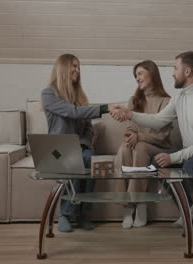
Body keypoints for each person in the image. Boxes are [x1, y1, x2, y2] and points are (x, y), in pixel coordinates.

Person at [111, 51, 193, 227]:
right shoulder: (179, 97)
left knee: (190, 166)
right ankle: (187, 209)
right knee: (157, 164)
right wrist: (129, 114)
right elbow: (158, 121)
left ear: (187, 72)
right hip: (189, 154)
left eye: (175, 68)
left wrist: (173, 157)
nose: (173, 73)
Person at [41, 53, 111, 232]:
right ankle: (66, 213)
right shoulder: (49, 94)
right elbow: (71, 112)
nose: (77, 70)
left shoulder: (81, 97)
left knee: (90, 158)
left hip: (78, 147)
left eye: (78, 67)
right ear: (63, 68)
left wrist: (83, 144)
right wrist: (105, 108)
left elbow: (88, 128)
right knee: (72, 159)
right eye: (73, 66)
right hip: (57, 149)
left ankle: (83, 213)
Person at [114, 60, 172, 229]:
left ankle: (140, 204)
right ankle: (127, 208)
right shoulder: (135, 100)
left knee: (139, 146)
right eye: (135, 75)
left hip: (158, 147)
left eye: (140, 73)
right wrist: (131, 135)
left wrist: (140, 137)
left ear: (152, 73)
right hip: (138, 145)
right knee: (125, 147)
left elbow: (162, 135)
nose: (137, 78)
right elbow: (131, 127)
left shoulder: (166, 101)